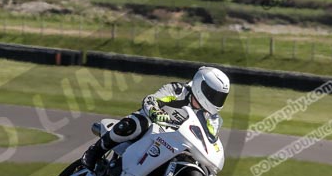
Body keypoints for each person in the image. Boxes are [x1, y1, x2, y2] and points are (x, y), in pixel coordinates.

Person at [82, 66, 230, 170]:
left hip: (177, 143)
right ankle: (94, 152)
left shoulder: (212, 119)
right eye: (213, 95)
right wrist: (156, 112)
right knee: (137, 123)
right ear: (200, 85)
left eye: (220, 97)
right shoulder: (178, 90)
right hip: (153, 129)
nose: (215, 100)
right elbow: (151, 99)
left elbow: (210, 138)